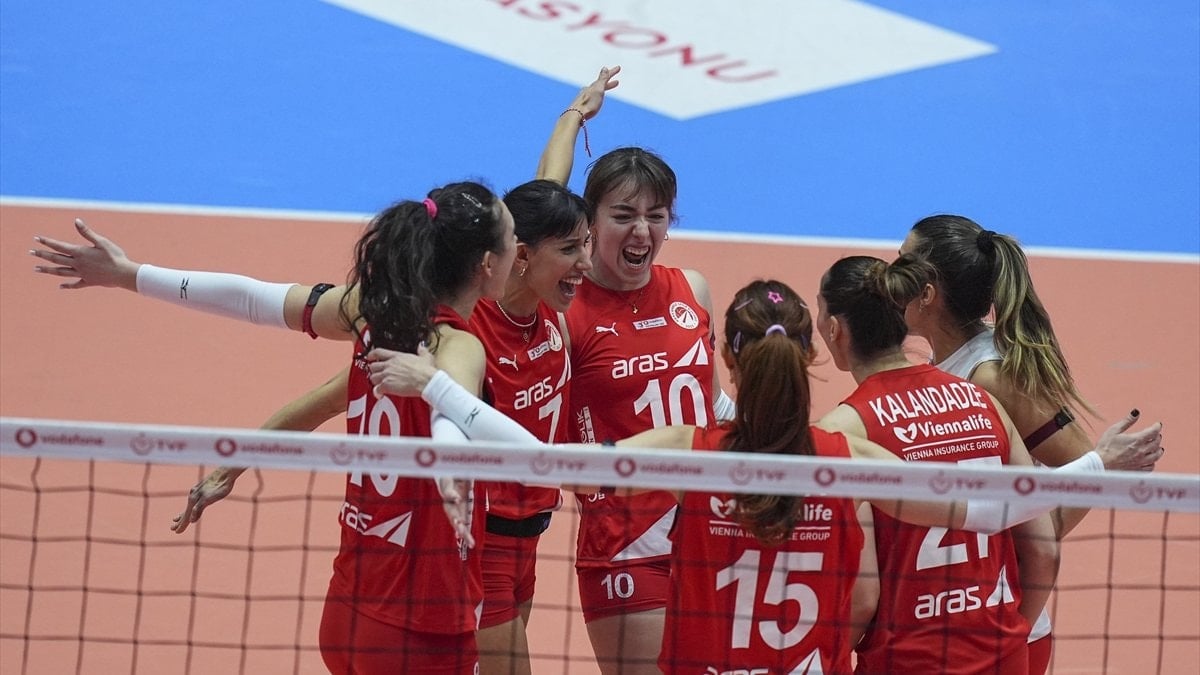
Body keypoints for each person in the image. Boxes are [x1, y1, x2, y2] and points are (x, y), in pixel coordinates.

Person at [364, 277, 1163, 674]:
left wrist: (438, 388)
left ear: (727, 358)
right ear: (810, 355)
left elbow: (540, 459)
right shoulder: (847, 460)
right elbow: (991, 510)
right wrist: (1098, 465)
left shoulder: (691, 451)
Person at [34, 182, 516, 674]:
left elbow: (252, 299)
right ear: (486, 264)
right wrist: (446, 442)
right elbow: (454, 423)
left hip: (348, 612)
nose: (518, 249)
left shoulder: (371, 312)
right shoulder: (458, 347)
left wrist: (129, 274)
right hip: (423, 628)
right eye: (511, 240)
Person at [897, 214, 1163, 673]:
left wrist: (1036, 538)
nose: (888, 276)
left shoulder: (990, 375)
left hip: (1001, 628)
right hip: (948, 618)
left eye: (900, 262)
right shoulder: (945, 360)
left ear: (928, 293)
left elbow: (1087, 467)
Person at [537, 141, 733, 673]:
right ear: (591, 223)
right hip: (626, 546)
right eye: (623, 216)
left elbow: (713, 402)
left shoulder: (692, 289)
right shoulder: (564, 312)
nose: (642, 231)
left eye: (656, 216)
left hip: (715, 529)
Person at [816, 255, 1058, 674]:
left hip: (907, 662)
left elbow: (863, 598)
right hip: (1002, 657)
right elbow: (1043, 548)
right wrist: (1010, 635)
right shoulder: (984, 402)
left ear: (835, 328)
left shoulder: (843, 430)